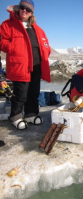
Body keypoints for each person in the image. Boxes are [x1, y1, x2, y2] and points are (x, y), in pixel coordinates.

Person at [0, 0, 51, 130]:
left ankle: (31, 114)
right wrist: (13, 47)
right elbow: (2, 41)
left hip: (37, 66)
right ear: (18, 8)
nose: (24, 11)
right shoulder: (8, 25)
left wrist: (46, 51)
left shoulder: (37, 29)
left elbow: (45, 45)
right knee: (20, 94)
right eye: (22, 8)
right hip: (20, 66)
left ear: (31, 13)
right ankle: (15, 117)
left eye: (28, 10)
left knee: (33, 93)